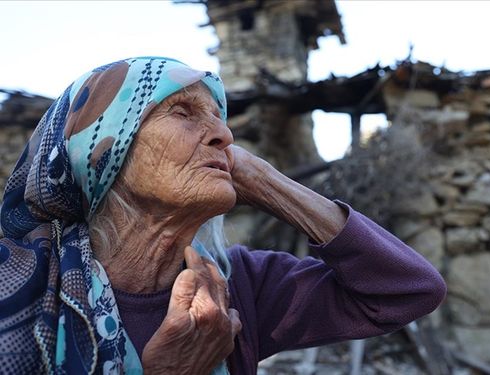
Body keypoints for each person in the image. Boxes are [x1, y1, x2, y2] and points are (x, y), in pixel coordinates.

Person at [0, 57, 446, 375]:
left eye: (219, 117)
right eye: (183, 112)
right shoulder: (18, 286)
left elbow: (409, 290)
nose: (225, 135)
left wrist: (272, 184)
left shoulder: (237, 288)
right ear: (99, 150)